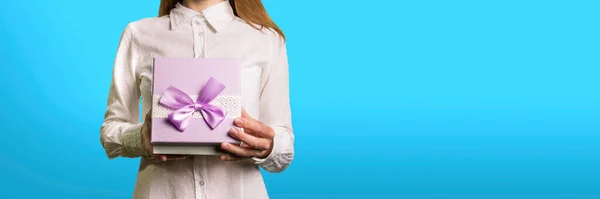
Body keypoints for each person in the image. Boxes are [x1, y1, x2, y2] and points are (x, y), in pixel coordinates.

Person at [99, 0, 294, 198]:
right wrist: (141, 138)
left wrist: (269, 146)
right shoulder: (138, 34)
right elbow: (110, 134)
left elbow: (285, 147)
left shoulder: (265, 39)